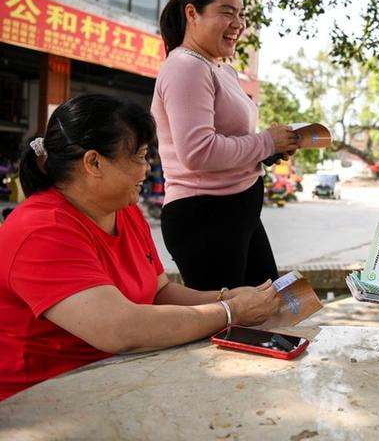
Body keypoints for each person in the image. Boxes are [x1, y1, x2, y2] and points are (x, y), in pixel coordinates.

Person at [0, 95, 280, 401]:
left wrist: (226, 296)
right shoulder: (42, 230)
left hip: (113, 381)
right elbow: (120, 330)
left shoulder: (125, 211)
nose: (146, 169)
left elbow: (159, 293)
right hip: (42, 399)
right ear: (93, 162)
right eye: (139, 156)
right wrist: (231, 311)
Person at [151, 0, 299, 291]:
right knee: (230, 328)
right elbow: (198, 152)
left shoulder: (221, 69)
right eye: (227, 13)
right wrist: (264, 142)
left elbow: (232, 142)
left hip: (238, 214)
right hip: (205, 218)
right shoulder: (185, 67)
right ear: (192, 13)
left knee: (270, 310)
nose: (238, 25)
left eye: (242, 15)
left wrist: (271, 149)